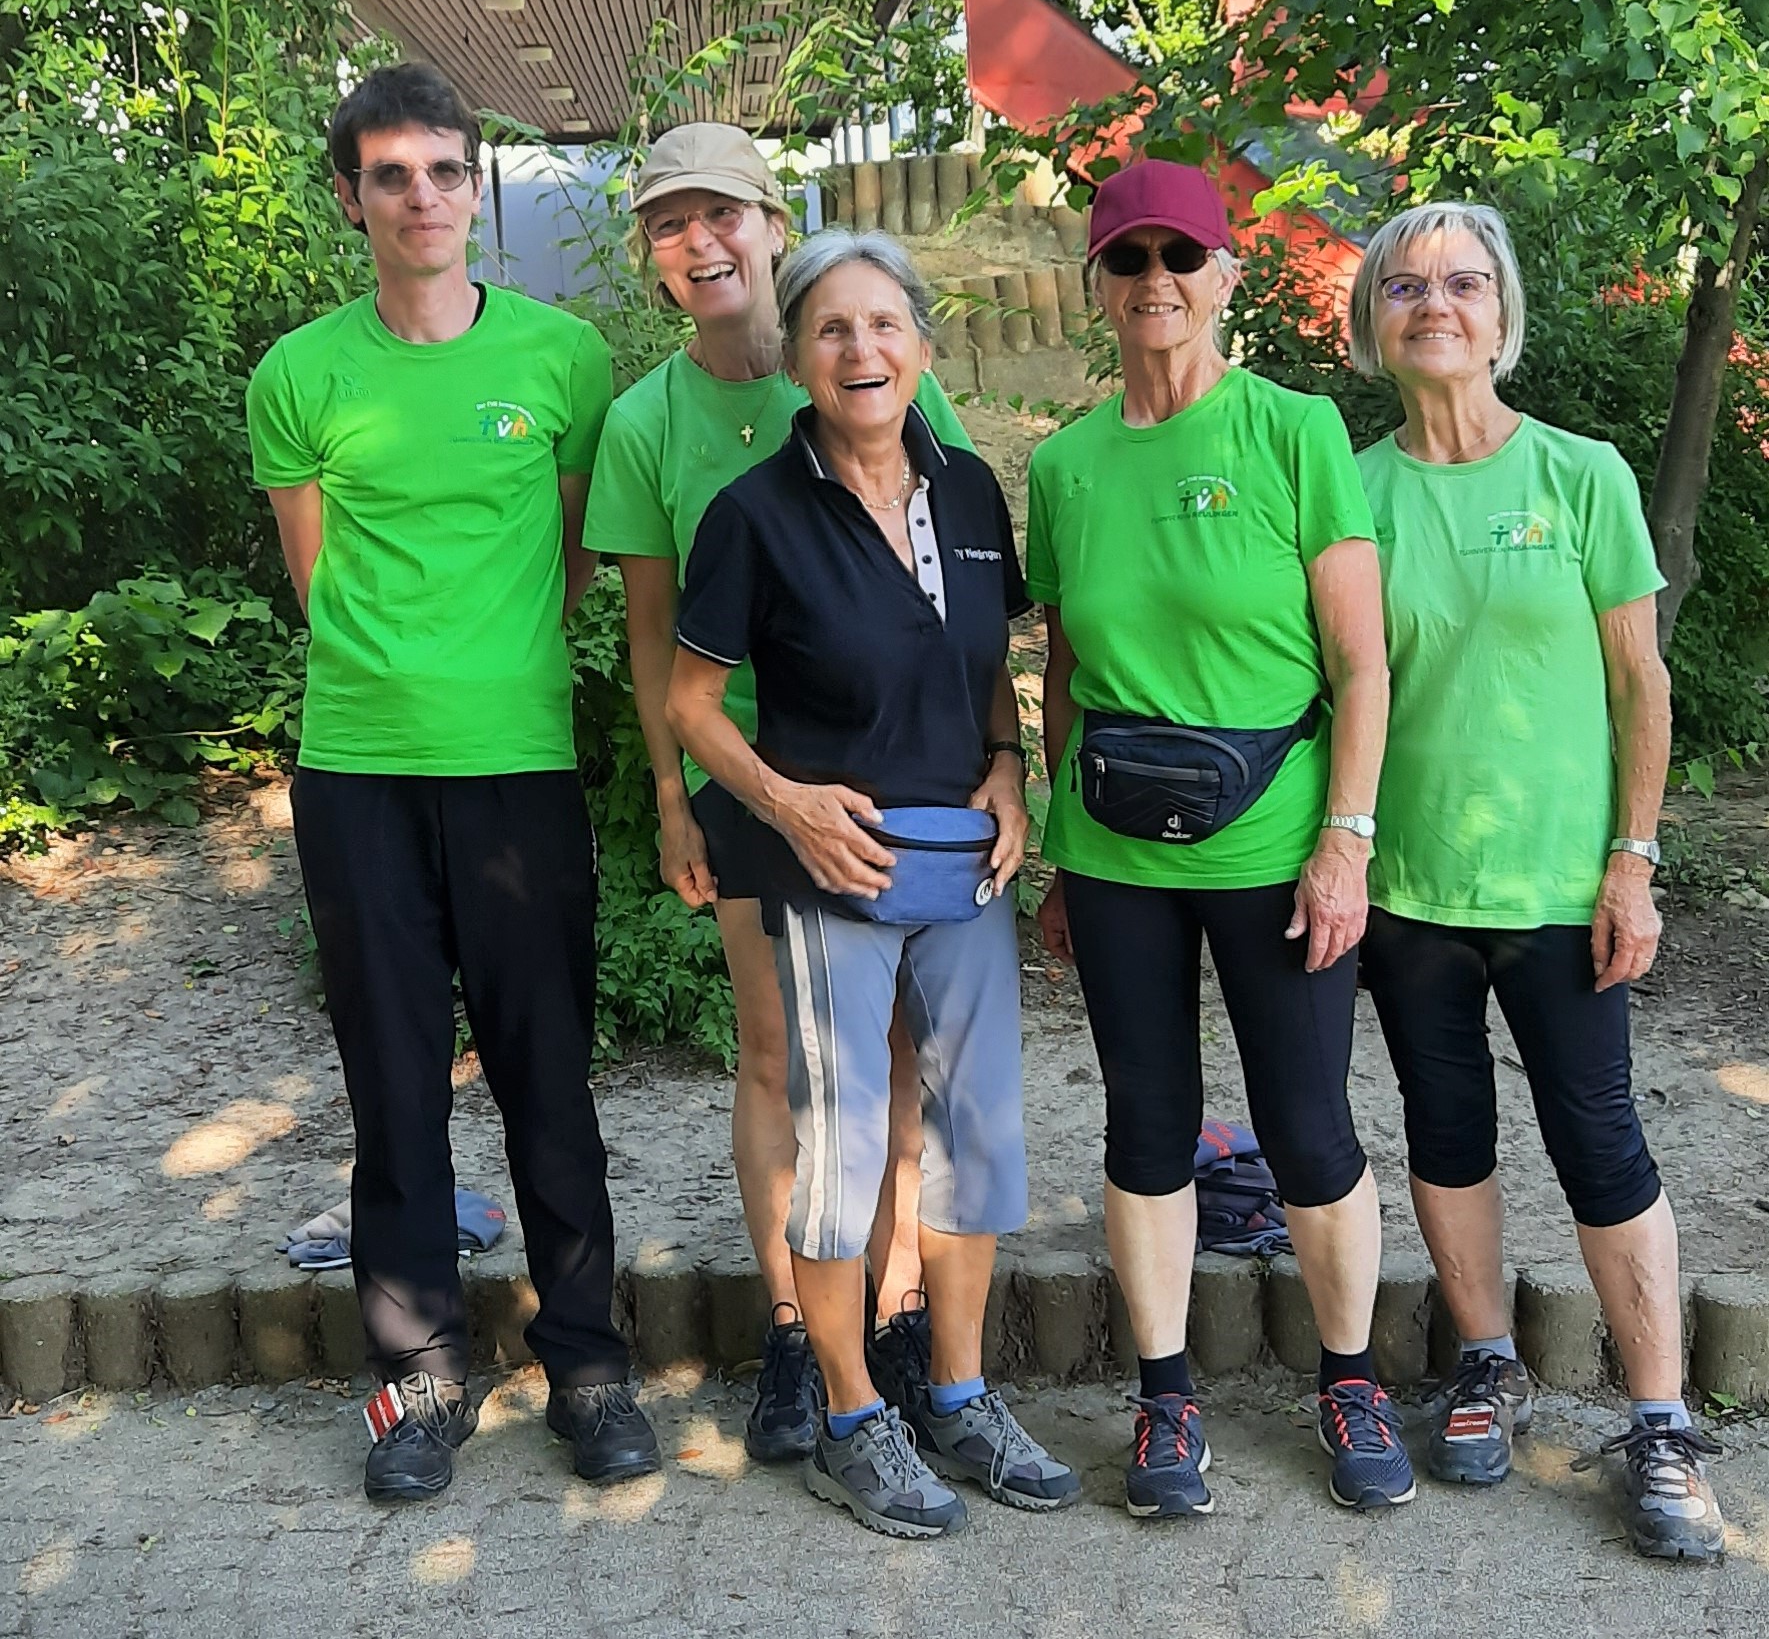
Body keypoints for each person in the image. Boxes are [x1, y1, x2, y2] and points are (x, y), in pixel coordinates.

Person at [245, 63, 658, 1502]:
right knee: (394, 1084)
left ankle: (590, 1362)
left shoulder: (560, 359)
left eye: (442, 170)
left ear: (472, 186)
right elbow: (314, 583)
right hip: (358, 772)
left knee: (550, 1075)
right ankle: (418, 1375)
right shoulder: (299, 374)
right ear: (351, 196)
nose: (422, 197)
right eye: (391, 175)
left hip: (519, 773)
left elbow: (570, 560)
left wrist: (486, 672)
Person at [665, 228, 1079, 1537]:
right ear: (794, 356)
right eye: (832, 329)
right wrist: (782, 801)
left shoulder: (965, 494)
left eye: (884, 324)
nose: (862, 350)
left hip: (964, 863)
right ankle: (851, 1411)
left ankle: (956, 1391)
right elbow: (690, 702)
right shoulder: (753, 516)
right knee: (843, 1155)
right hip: (827, 868)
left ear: (920, 345)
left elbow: (981, 677)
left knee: (972, 1143)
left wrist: (1011, 768)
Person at [583, 125, 974, 1460]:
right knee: (776, 1056)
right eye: (669, 224)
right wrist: (675, 794)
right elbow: (651, 639)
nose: (700, 243)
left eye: (722, 216)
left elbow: (961, 585)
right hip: (750, 780)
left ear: (769, 223)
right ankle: (800, 1333)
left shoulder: (886, 369)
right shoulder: (646, 423)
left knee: (897, 1055)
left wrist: (997, 760)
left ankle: (898, 1300)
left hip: (899, 778)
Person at [1029, 159, 1413, 1516]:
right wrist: (1057, 851)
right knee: (1148, 1120)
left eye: (1179, 257)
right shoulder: (1067, 464)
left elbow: (1359, 668)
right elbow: (1066, 667)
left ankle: (1350, 1376)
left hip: (1276, 845)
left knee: (1309, 1124)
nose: (1154, 283)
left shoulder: (1291, 431)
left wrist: (1345, 840)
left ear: (1226, 275)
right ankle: (1163, 1399)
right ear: (1099, 284)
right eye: (1126, 260)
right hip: (1118, 849)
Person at [1348, 199, 1724, 1561]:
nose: (1432, 303)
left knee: (1598, 1140)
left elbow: (1640, 685)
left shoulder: (1581, 474)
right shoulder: (1349, 489)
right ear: (1370, 322)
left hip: (1563, 892)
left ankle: (1661, 1417)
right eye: (1404, 286)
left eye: (1460, 282)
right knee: (1442, 1128)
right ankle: (1487, 1363)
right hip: (1406, 888)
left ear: (1499, 313)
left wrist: (1632, 861)